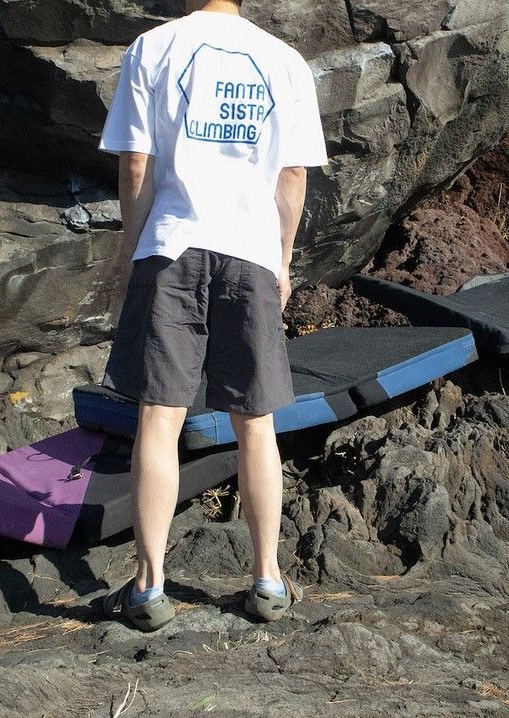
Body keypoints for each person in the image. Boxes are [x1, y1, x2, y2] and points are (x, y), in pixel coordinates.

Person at [97, 0, 329, 631]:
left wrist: (130, 252)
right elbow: (292, 176)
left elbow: (137, 163)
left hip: (171, 246)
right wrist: (282, 261)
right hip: (250, 253)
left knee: (159, 417)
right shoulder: (285, 61)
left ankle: (149, 587)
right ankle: (268, 580)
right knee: (256, 421)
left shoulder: (154, 48)